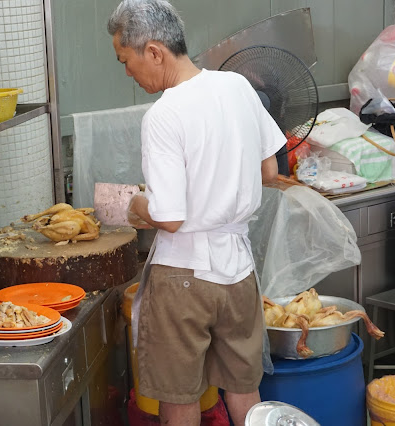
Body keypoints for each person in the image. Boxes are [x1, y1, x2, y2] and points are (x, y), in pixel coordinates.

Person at [107, 1, 287, 425]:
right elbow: (270, 169)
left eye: (126, 60)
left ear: (153, 51)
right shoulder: (238, 87)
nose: (128, 72)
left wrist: (134, 203)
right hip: (239, 271)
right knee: (245, 389)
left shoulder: (164, 115)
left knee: (179, 393)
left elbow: (168, 216)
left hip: (182, 276)